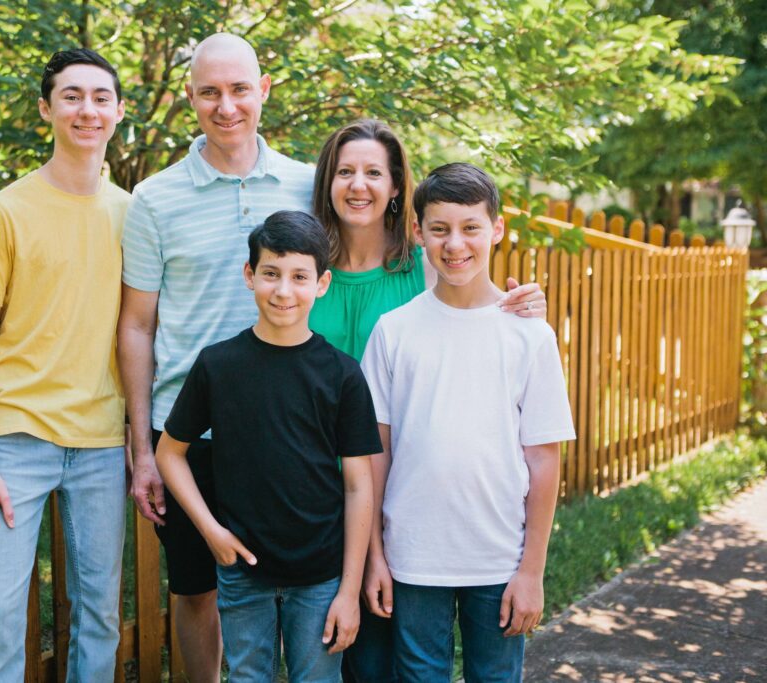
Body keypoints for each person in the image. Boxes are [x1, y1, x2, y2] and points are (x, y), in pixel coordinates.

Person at [308, 119, 548, 682]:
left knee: (415, 653)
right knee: (365, 659)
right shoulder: (303, 271)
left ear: (396, 188)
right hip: (323, 485)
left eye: (374, 172)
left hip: (413, 504)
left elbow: (472, 300)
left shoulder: (423, 265)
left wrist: (528, 306)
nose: (359, 184)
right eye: (345, 171)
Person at [118, 33, 315, 682]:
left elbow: (373, 267)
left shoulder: (308, 184)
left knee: (295, 587)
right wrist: (143, 448)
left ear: (264, 91)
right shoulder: (154, 198)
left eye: (238, 90)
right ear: (189, 99)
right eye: (209, 92)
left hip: (290, 428)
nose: (225, 106)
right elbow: (139, 325)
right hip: (187, 433)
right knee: (196, 590)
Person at [359, 163, 576, 682]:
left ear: (496, 229)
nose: (455, 244)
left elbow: (544, 458)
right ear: (418, 233)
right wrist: (375, 557)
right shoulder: (394, 332)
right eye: (439, 229)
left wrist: (532, 571)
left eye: (471, 227)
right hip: (412, 557)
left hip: (499, 559)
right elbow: (374, 456)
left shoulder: (529, 335)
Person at [0, 48, 129, 682]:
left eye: (100, 98)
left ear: (117, 111)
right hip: (16, 440)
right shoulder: (6, 210)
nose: (87, 109)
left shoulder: (131, 215)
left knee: (100, 615)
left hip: (103, 445)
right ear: (46, 108)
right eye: (72, 96)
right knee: (0, 613)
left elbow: (140, 331)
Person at [155, 211, 379, 682]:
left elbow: (360, 485)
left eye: (299, 277)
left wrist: (348, 589)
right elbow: (169, 454)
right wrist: (211, 530)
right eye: (271, 274)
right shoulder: (219, 366)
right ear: (249, 275)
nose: (283, 291)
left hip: (320, 577)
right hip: (242, 571)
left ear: (322, 283)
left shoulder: (341, 374)